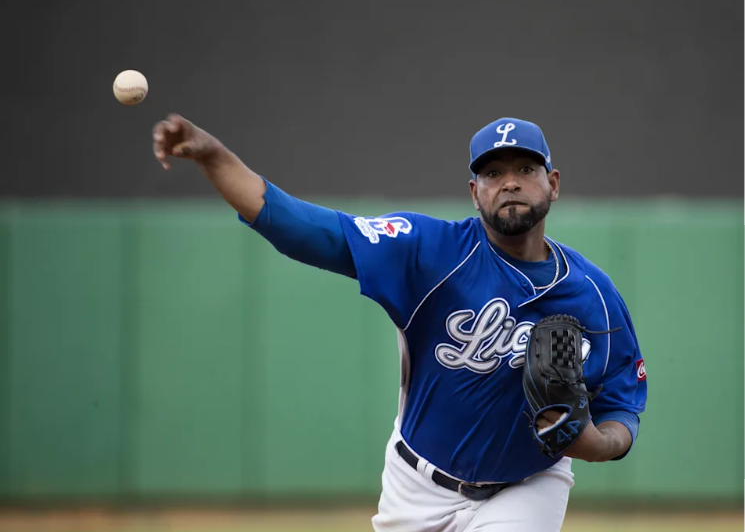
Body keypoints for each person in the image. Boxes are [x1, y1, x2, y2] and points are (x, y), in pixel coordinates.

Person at [152, 115, 647, 532]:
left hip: (529, 485)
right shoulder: (428, 251)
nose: (510, 181)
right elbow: (306, 231)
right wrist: (215, 157)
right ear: (475, 193)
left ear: (553, 184)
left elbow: (623, 400)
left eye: (525, 168)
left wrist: (597, 444)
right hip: (416, 484)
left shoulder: (595, 296)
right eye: (493, 173)